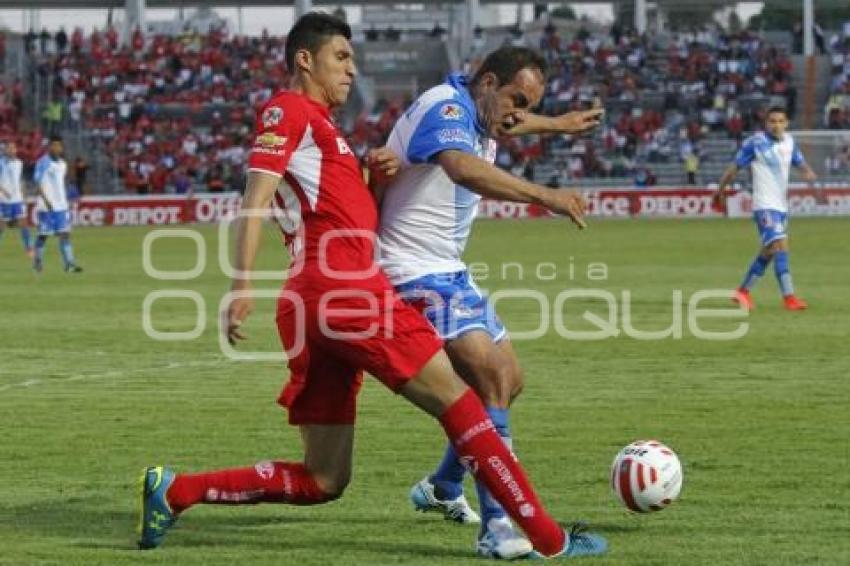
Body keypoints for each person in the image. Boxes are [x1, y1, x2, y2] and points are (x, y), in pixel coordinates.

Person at [135, 13, 607, 561]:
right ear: (305, 60)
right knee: (469, 402)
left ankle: (176, 489)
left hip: (317, 304)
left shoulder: (323, 127)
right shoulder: (287, 110)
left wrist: (375, 176)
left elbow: (339, 203)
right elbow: (256, 199)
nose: (352, 71)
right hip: (347, 288)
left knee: (324, 478)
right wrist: (240, 284)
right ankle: (545, 540)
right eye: (342, 58)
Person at [375, 46, 602, 559]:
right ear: (488, 83)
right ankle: (500, 529)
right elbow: (462, 168)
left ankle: (442, 488)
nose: (517, 114)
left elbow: (510, 122)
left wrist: (557, 124)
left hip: (445, 269)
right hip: (412, 270)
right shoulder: (449, 110)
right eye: (515, 99)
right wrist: (548, 196)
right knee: (491, 378)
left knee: (509, 380)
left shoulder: (480, 109)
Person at [715, 106, 816, 311]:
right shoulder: (755, 143)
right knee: (780, 247)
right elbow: (733, 169)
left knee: (769, 252)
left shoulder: (790, 142)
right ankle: (789, 298)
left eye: (780, 121)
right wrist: (720, 191)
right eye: (772, 121)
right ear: (766, 123)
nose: (776, 125)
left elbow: (800, 162)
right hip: (764, 205)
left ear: (786, 123)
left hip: (780, 206)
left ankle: (742, 292)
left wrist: (808, 172)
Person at [32, 136, 82, 273]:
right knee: (43, 235)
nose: (56, 148)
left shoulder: (62, 164)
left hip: (61, 206)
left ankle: (69, 264)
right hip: (46, 206)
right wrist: (46, 201)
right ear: (49, 147)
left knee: (65, 234)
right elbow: (37, 183)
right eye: (54, 145)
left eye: (59, 146)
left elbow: (62, 183)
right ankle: (37, 261)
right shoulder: (42, 162)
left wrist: (68, 199)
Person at [0, 142, 34, 256]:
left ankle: (29, 248)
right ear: (5, 150)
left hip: (17, 200)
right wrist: (4, 191)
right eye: (8, 148)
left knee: (24, 224)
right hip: (4, 200)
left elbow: (19, 181)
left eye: (13, 148)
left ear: (15, 150)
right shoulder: (1, 163)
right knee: (2, 226)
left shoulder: (19, 163)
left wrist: (23, 195)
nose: (11, 150)